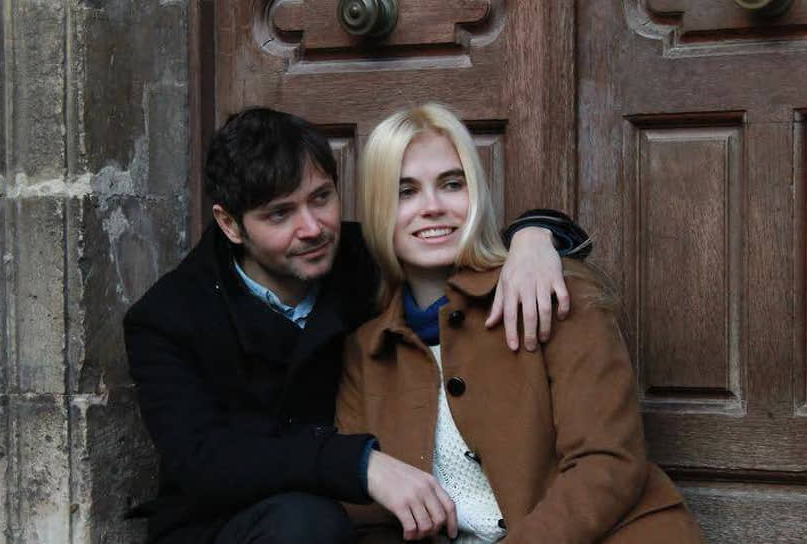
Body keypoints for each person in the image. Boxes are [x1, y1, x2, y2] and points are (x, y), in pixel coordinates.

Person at [123, 107, 590, 544]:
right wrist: (361, 465)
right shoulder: (166, 317)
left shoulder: (362, 260)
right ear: (230, 225)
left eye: (321, 198)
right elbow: (203, 462)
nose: (312, 228)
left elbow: (461, 242)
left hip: (366, 517)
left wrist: (534, 237)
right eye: (280, 214)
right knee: (305, 524)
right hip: (223, 526)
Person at [336, 103, 704, 543]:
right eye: (405, 192)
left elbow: (607, 463)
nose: (432, 207)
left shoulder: (553, 289)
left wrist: (535, 234)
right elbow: (368, 514)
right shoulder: (366, 350)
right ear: (378, 209)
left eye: (452, 184)